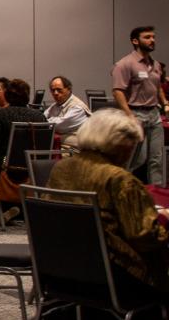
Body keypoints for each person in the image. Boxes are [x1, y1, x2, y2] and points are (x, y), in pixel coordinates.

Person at [48, 110, 169, 296]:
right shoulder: (118, 178)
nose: (132, 152)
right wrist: (163, 220)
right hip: (114, 275)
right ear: (121, 144)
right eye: (132, 145)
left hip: (61, 268)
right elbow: (144, 237)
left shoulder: (61, 168)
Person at [112, 25, 167, 185]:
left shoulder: (155, 64)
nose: (152, 40)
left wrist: (165, 103)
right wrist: (130, 116)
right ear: (135, 41)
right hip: (135, 114)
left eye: (153, 37)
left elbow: (156, 87)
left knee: (156, 159)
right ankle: (120, 189)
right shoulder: (125, 64)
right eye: (147, 37)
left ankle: (156, 196)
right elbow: (117, 91)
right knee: (136, 159)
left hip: (154, 116)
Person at [0, 78, 45, 202]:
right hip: (34, 167)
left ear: (8, 96)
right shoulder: (39, 116)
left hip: (4, 166)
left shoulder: (0, 115)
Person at [44, 75, 91, 147]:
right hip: (60, 144)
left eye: (59, 90)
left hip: (75, 149)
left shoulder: (78, 107)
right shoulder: (55, 105)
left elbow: (59, 126)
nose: (55, 93)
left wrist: (50, 121)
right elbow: (43, 119)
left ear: (69, 89)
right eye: (53, 90)